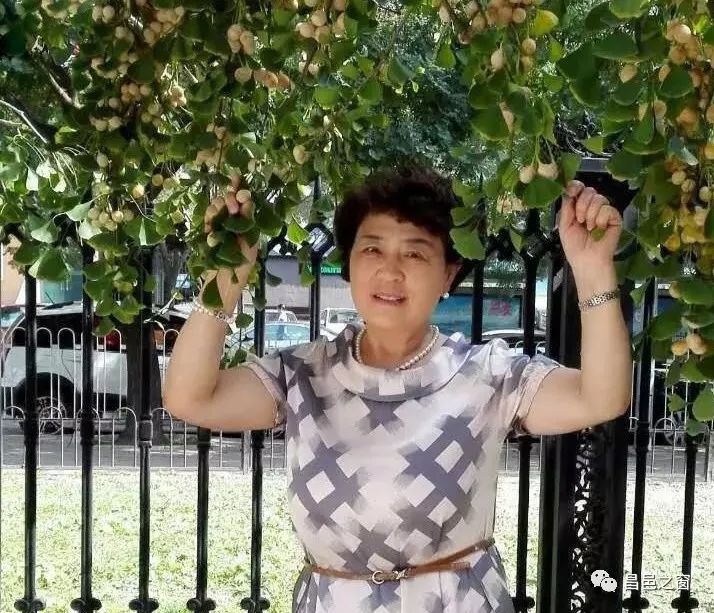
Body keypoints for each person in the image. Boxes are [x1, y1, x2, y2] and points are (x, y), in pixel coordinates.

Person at [163, 163, 632, 613]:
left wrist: (592, 269)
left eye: (414, 253)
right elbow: (190, 398)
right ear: (349, 264)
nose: (390, 271)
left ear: (448, 274)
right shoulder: (302, 374)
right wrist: (224, 280)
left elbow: (601, 397)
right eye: (372, 250)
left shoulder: (487, 375)